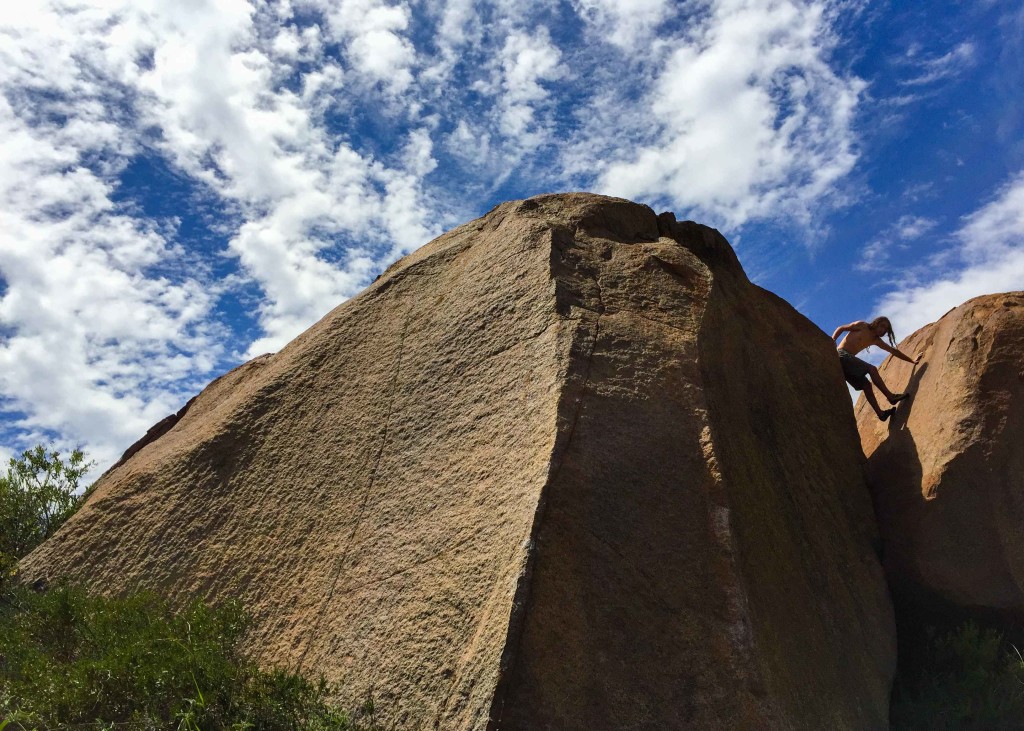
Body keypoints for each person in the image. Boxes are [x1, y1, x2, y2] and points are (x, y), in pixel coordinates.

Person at [831, 316, 921, 422]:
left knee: (867, 386)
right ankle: (890, 396)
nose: (882, 330)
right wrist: (832, 341)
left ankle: (881, 414)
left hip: (847, 364)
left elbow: (893, 351)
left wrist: (912, 360)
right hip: (841, 354)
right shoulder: (862, 326)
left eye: (885, 329)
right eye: (881, 326)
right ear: (876, 323)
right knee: (872, 369)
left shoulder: (876, 340)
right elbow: (841, 328)